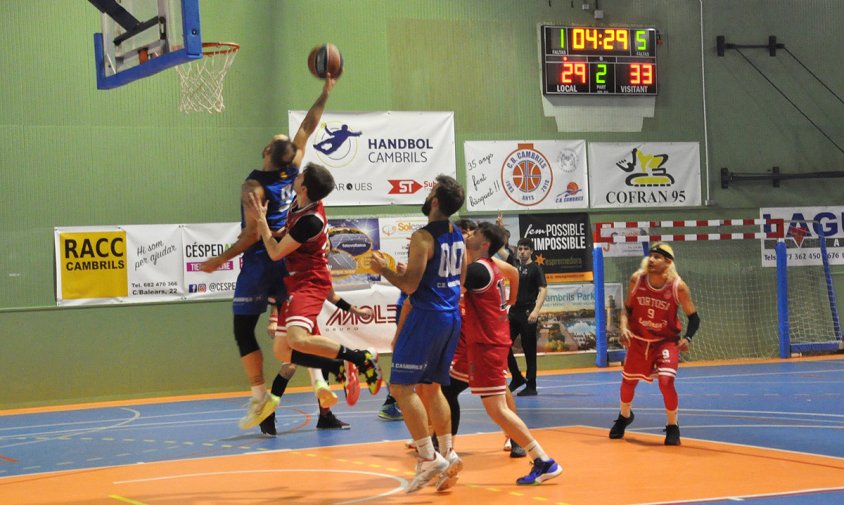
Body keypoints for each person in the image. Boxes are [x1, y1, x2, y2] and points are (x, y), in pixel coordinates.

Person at [200, 76, 341, 430]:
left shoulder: (254, 185)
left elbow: (251, 235)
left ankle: (260, 396)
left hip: (264, 261)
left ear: (266, 152)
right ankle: (321, 384)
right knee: (300, 331)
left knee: (244, 329)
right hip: (291, 263)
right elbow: (309, 126)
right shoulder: (295, 171)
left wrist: (219, 260)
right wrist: (325, 92)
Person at [249, 162, 382, 414]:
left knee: (298, 339)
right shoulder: (300, 204)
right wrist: (271, 231)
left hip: (309, 281)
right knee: (282, 351)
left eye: (301, 175)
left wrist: (261, 224)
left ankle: (359, 357)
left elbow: (276, 253)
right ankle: (338, 367)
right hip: (295, 281)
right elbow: (286, 236)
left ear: (305, 187)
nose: (296, 176)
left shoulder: (310, 221)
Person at [370, 174, 467, 494]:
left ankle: (428, 457)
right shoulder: (457, 236)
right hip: (450, 316)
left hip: (426, 317)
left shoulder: (423, 236)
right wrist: (399, 268)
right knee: (432, 387)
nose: (428, 194)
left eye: (431, 191)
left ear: (435, 201)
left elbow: (411, 286)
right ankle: (449, 452)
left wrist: (382, 270)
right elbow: (454, 278)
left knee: (400, 387)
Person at [461, 221, 562, 485]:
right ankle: (539, 457)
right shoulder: (490, 268)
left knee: (497, 409)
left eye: (475, 234)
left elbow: (453, 286)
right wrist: (511, 301)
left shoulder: (477, 271)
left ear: (484, 244)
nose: (469, 235)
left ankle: (543, 459)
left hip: (487, 344)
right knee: (498, 408)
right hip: (490, 341)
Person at [442, 218, 526, 460]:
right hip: (467, 332)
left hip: (486, 335)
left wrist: (511, 301)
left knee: (498, 392)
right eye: (464, 231)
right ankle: (441, 442)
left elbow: (513, 273)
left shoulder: (484, 263)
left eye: (472, 231)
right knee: (444, 388)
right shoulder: (457, 257)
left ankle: (519, 440)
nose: (467, 235)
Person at [608, 242, 700, 446]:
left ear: (668, 262)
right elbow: (626, 309)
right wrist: (624, 328)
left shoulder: (678, 287)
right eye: (650, 255)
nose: (651, 259)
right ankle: (624, 416)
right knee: (628, 383)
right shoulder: (637, 280)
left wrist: (688, 338)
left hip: (665, 342)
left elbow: (694, 318)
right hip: (639, 340)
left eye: (657, 257)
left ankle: (672, 425)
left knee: (666, 382)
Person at [507, 238, 548, 396]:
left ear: (531, 251)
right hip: (514, 312)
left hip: (528, 313)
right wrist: (501, 229)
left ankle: (531, 385)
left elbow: (543, 289)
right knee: (503, 345)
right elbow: (501, 248)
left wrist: (536, 311)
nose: (522, 251)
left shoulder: (535, 269)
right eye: (520, 248)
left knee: (529, 350)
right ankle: (517, 377)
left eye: (525, 248)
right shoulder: (513, 264)